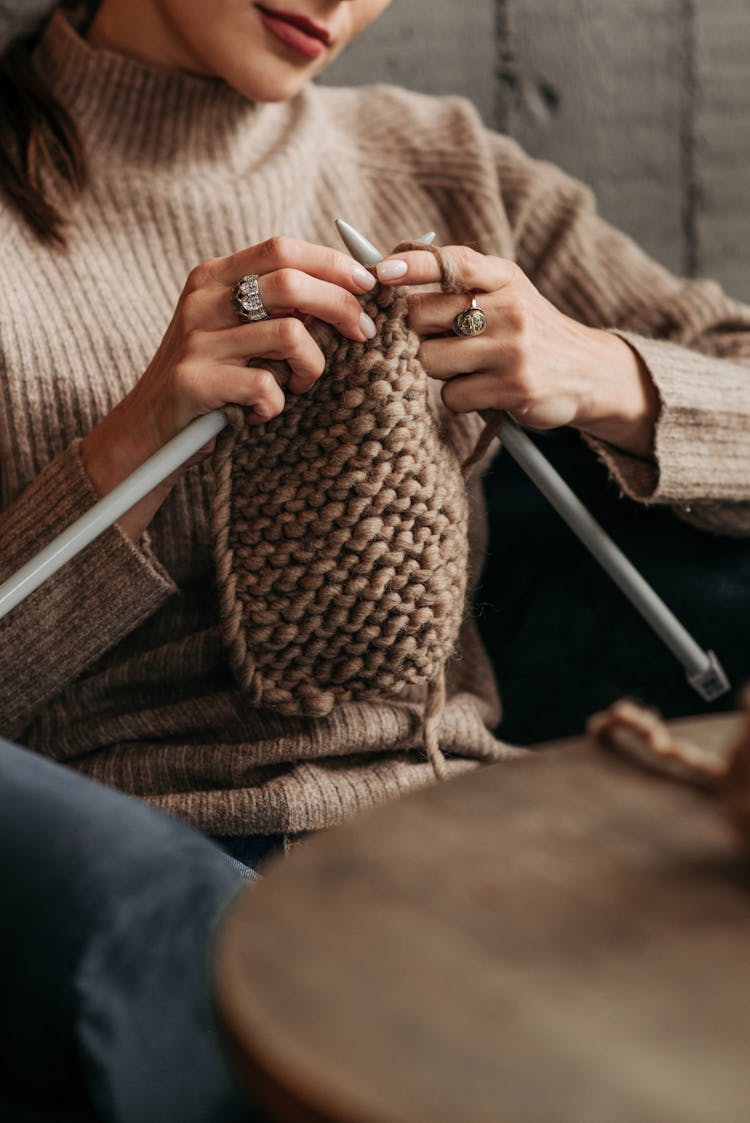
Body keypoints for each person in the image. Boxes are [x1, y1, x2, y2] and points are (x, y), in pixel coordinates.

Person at [2, 0, 750, 841]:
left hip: (462, 826)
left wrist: (606, 372)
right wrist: (135, 438)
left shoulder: (444, 163)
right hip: (130, 862)